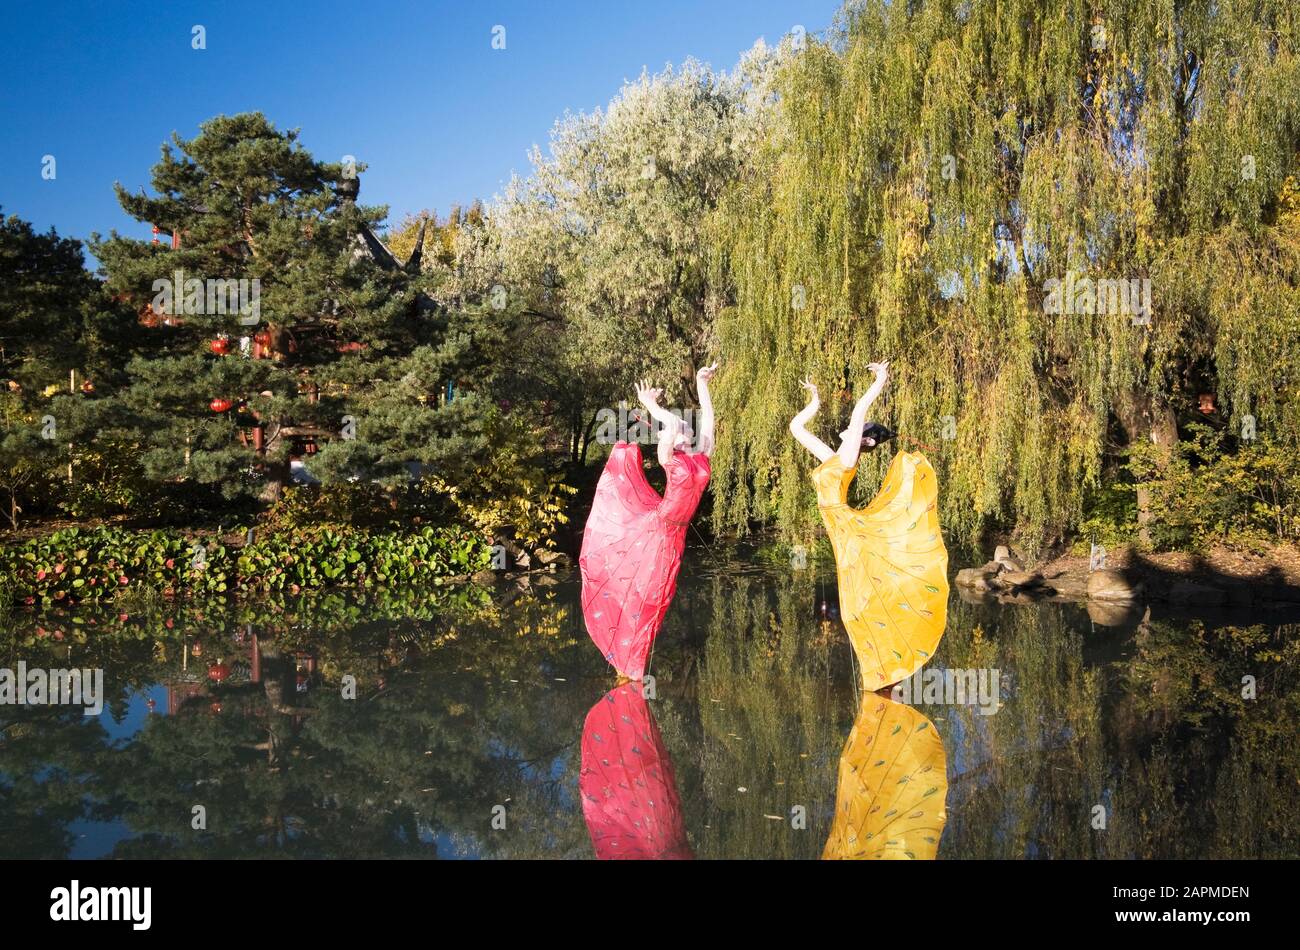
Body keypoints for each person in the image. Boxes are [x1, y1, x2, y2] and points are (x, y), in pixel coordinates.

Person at [789, 361, 949, 688]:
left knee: (858, 604)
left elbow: (858, 411)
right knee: (856, 604)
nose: (852, 428)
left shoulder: (849, 457)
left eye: (860, 429)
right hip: (840, 534)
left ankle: (883, 672)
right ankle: (881, 672)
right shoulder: (833, 458)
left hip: (847, 531)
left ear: (867, 442)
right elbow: (796, 429)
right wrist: (814, 402)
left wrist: (880, 380)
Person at [578, 363, 717, 680]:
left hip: (677, 532)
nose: (687, 425)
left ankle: (631, 665)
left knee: (659, 596)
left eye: (686, 425)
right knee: (647, 594)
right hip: (662, 526)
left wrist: (702, 384)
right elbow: (672, 425)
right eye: (681, 425)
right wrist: (651, 406)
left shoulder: (701, 456)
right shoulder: (669, 457)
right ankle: (629, 665)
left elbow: (709, 420)